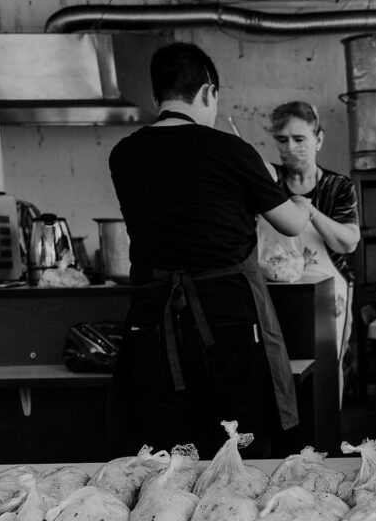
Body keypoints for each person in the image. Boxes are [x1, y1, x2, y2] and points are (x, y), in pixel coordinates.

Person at [107, 42, 316, 458]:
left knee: (168, 443)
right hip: (228, 320)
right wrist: (293, 195)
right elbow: (291, 224)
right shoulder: (232, 151)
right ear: (207, 92)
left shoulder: (124, 154)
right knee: (236, 439)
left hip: (154, 317)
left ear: (156, 97)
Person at [265, 101, 360, 368]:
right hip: (278, 296)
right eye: (282, 140)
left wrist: (309, 211)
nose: (290, 148)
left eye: (299, 139)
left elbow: (348, 242)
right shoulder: (268, 183)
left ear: (318, 139)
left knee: (329, 369)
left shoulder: (338, 186)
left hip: (330, 293)